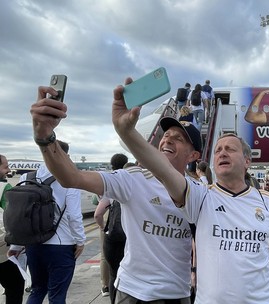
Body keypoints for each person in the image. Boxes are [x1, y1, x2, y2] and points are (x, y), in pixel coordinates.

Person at [110, 77, 269, 303]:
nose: (222, 153)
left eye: (230, 149)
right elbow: (164, 169)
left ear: (247, 161)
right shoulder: (201, 195)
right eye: (217, 150)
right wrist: (127, 132)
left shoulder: (268, 202)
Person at [30, 84, 200, 303]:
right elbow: (72, 177)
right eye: (166, 135)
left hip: (177, 294)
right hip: (132, 292)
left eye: (178, 138)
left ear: (194, 154)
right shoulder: (133, 179)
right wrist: (44, 136)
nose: (167, 139)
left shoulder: (199, 193)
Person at [21, 141, 86, 304]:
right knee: (57, 296)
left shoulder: (26, 177)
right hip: (61, 245)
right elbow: (73, 215)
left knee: (37, 291)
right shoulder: (70, 180)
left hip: (33, 244)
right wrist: (80, 241)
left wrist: (16, 246)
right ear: (65, 155)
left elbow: (20, 213)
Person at [93, 153, 129, 303]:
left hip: (111, 222)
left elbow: (97, 212)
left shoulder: (108, 180)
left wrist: (103, 228)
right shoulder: (128, 180)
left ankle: (105, 286)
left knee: (105, 258)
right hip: (128, 225)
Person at [0, 154, 25, 304]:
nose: (8, 170)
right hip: (1, 250)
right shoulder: (4, 187)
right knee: (15, 285)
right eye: (5, 166)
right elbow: (13, 217)